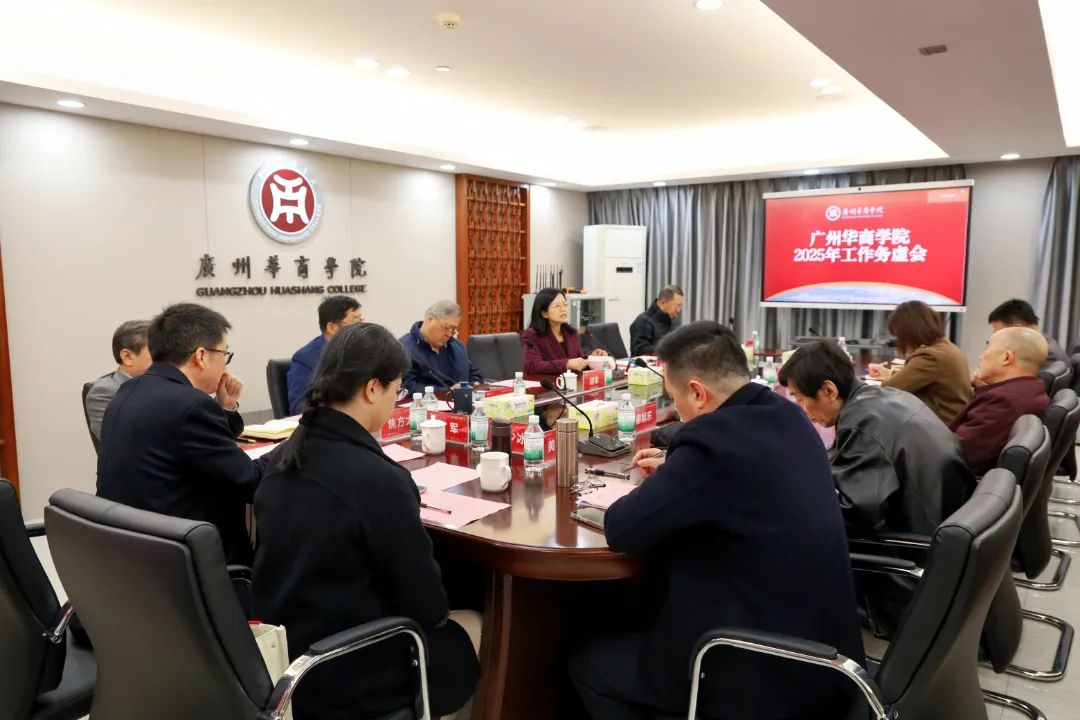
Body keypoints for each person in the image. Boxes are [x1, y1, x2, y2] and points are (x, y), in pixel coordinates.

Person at [570, 321, 864, 720]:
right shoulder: (788, 416)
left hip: (755, 665)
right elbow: (744, 478)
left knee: (590, 662)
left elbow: (623, 528)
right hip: (825, 655)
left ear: (696, 392)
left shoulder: (712, 443)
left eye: (675, 398)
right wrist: (679, 468)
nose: (678, 411)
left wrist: (679, 472)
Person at [252, 323, 480, 720]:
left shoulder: (284, 456)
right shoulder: (379, 479)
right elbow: (428, 609)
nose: (396, 399)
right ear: (373, 389)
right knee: (474, 626)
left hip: (285, 656)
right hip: (350, 669)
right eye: (397, 389)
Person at [97, 303, 274, 564]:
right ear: (201, 356)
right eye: (224, 354)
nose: (225, 366)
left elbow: (194, 446)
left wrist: (224, 407)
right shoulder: (191, 405)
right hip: (191, 559)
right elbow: (250, 482)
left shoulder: (129, 391)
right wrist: (298, 440)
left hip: (135, 551)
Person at [779, 340, 974, 537]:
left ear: (829, 391)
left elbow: (854, 515)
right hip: (948, 519)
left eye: (800, 399)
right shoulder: (885, 397)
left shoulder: (862, 422)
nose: (801, 409)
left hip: (920, 541)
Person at [951, 327, 1050, 475]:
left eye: (987, 348)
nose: (981, 356)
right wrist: (983, 389)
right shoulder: (1030, 388)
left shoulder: (1002, 402)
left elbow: (955, 452)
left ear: (1006, 358)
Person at [868, 300, 971, 425]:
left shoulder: (931, 356)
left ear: (908, 332)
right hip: (952, 421)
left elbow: (889, 389)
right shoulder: (946, 347)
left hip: (939, 426)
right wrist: (889, 374)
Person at [286, 295, 363, 414]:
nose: (361, 328)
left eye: (361, 321)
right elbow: (299, 407)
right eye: (355, 322)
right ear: (332, 328)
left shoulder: (363, 350)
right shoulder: (306, 358)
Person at [84, 320, 152, 443]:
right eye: (157, 354)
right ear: (127, 357)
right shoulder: (104, 392)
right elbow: (117, 442)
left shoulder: (172, 384)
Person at [399, 299, 483, 394]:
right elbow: (406, 388)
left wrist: (472, 385)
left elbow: (475, 375)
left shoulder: (457, 346)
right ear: (430, 319)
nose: (449, 334)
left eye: (453, 330)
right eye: (446, 328)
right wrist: (448, 391)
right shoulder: (404, 349)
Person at [521, 288, 607, 375]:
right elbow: (533, 366)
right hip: (548, 382)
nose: (563, 309)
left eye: (565, 304)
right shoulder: (532, 335)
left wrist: (592, 357)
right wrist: (567, 364)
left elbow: (578, 360)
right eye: (557, 306)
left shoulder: (571, 333)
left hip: (572, 382)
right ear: (544, 313)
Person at [985, 298, 1069, 369]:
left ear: (1017, 328)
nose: (994, 338)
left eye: (997, 333)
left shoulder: (1045, 356)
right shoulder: (1034, 346)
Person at [629, 284, 684, 356]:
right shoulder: (643, 321)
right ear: (663, 302)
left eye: (680, 306)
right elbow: (639, 350)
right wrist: (668, 350)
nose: (678, 310)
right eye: (676, 305)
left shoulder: (674, 321)